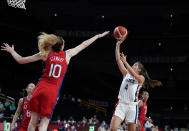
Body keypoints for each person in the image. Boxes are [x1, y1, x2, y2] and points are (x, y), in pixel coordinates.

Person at [1, 31, 109, 131]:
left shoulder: (45, 54)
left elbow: (20, 60)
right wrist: (97, 36)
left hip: (39, 89)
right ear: (61, 46)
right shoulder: (67, 54)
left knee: (33, 122)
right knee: (44, 122)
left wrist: (12, 51)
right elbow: (84, 44)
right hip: (51, 92)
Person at [110, 37, 162, 131]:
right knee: (112, 128)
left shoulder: (141, 78)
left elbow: (134, 74)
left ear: (139, 70)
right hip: (121, 104)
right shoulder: (126, 74)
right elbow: (118, 60)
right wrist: (118, 45)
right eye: (133, 64)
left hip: (132, 106)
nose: (133, 65)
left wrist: (125, 62)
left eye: (135, 65)